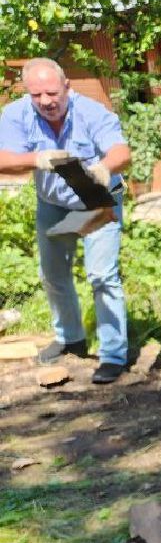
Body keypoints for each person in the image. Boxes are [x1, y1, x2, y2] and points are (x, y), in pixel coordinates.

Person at [0, 58, 131, 384]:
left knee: (102, 275)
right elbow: (3, 160)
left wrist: (104, 168)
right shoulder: (16, 114)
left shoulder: (92, 112)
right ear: (27, 94)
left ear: (67, 87)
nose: (46, 101)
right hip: (53, 203)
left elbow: (121, 152)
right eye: (37, 95)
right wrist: (36, 158)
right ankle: (71, 337)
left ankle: (114, 355)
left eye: (52, 93)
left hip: (98, 200)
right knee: (53, 274)